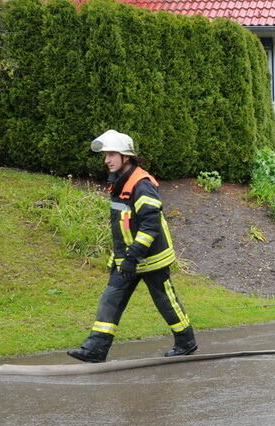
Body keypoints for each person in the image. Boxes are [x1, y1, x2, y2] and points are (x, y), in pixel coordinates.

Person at [67, 130, 198, 363]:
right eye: (105, 155)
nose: (107, 160)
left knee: (165, 300)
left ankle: (186, 341)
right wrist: (121, 257)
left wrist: (133, 256)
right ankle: (96, 348)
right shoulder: (118, 182)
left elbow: (150, 225)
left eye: (111, 154)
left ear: (125, 156)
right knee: (111, 297)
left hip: (151, 257)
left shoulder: (142, 184)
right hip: (127, 258)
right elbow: (123, 225)